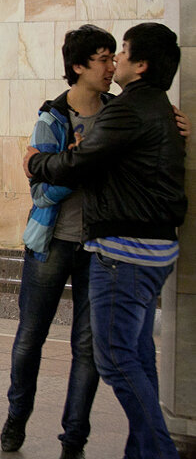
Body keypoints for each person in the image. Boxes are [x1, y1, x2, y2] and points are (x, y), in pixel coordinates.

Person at [25, 23, 188, 459]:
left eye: (123, 53)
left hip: (124, 250)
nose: (115, 61)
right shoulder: (158, 109)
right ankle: (142, 452)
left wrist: (37, 162)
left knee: (114, 357)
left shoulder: (128, 110)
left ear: (141, 65)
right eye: (107, 56)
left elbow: (79, 162)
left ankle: (159, 451)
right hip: (156, 248)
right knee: (137, 354)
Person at [2, 25, 116, 459]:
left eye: (111, 58)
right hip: (52, 242)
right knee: (31, 335)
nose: (110, 68)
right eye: (103, 59)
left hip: (101, 247)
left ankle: (74, 439)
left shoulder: (116, 115)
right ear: (79, 66)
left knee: (87, 347)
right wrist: (79, 165)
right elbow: (41, 192)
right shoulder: (52, 119)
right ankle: (16, 417)